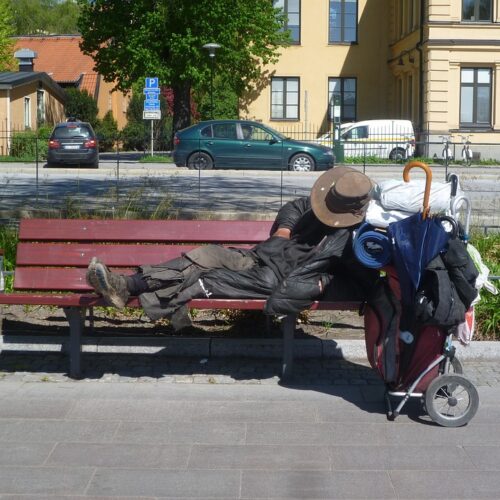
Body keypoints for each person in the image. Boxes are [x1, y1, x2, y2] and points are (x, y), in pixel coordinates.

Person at [86, 166, 378, 330]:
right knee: (206, 254)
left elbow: (361, 284)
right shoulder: (322, 203)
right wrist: (284, 230)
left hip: (275, 282)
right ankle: (125, 285)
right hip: (259, 258)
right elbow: (296, 205)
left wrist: (321, 282)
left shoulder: (356, 239)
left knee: (206, 279)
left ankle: (131, 288)